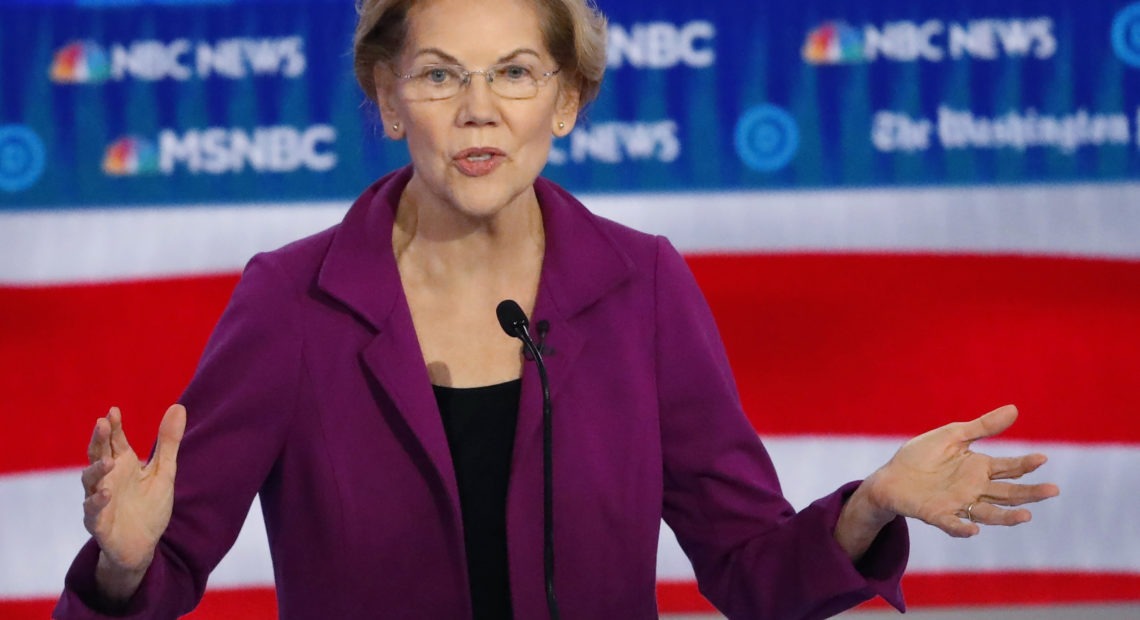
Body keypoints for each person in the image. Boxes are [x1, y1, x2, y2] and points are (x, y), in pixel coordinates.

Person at [54, 0, 1060, 618]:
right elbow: (165, 562)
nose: (480, 108)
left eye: (517, 73)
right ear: (388, 96)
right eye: (441, 75)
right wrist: (124, 560)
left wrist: (870, 502)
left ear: (567, 100)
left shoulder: (644, 289)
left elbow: (752, 568)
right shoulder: (293, 302)